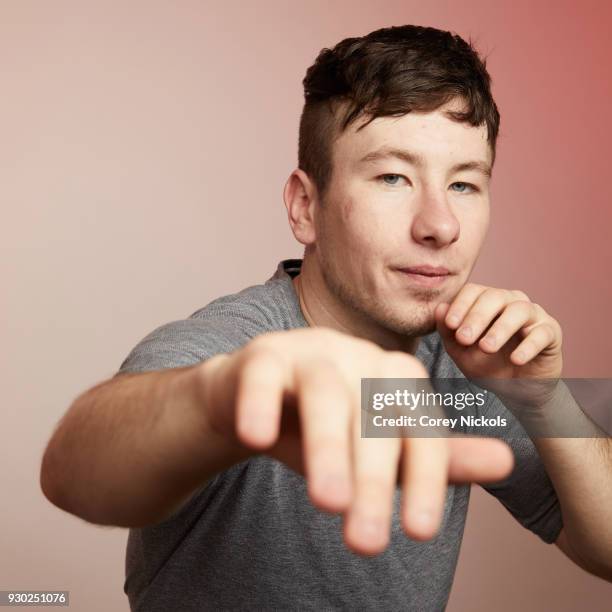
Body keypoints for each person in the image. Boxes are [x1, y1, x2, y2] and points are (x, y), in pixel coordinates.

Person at [40, 24, 612, 611]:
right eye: (393, 177)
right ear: (305, 207)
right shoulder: (235, 350)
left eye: (464, 183)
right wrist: (221, 402)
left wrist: (544, 401)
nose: (440, 226)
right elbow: (71, 473)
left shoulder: (463, 378)